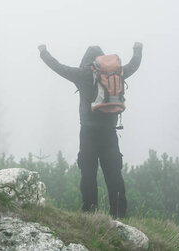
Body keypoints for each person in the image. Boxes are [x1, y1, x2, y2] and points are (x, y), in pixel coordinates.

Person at [38, 42, 143, 218]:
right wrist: (137, 49)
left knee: (88, 175)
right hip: (110, 133)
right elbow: (134, 65)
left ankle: (90, 214)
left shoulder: (83, 74)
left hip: (88, 133)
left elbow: (58, 67)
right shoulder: (115, 73)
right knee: (114, 175)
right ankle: (119, 215)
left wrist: (43, 52)